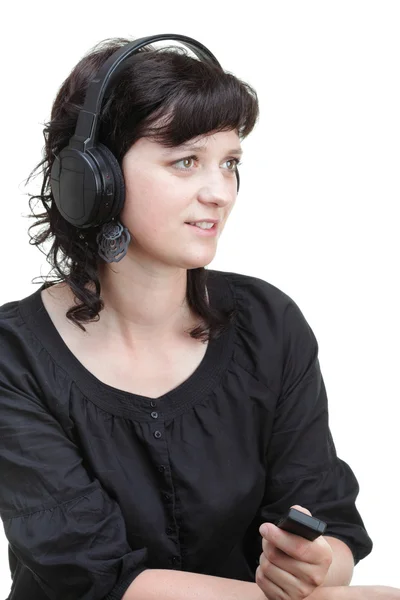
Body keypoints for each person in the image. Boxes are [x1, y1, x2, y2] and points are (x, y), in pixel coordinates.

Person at [0, 34, 398, 600]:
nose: (220, 192)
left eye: (230, 163)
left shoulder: (269, 324)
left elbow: (329, 528)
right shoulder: (12, 356)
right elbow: (98, 578)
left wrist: (318, 568)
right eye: (186, 161)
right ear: (93, 180)